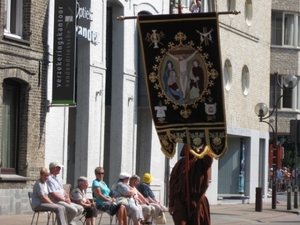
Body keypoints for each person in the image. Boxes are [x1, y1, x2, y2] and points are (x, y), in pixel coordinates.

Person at [169, 144, 213, 225]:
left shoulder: (202, 161)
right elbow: (172, 184)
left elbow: (209, 158)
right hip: (181, 201)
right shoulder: (180, 164)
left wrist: (202, 146)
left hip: (197, 201)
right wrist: (171, 203)